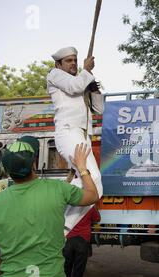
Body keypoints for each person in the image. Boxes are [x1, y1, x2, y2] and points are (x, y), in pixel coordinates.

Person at [0, 137, 99, 277]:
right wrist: (82, 168)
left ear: (6, 170)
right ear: (34, 164)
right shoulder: (58, 189)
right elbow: (92, 196)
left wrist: (10, 272)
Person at [46, 46, 103, 234]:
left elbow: (99, 109)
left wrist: (93, 87)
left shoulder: (81, 80)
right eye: (69, 61)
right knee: (92, 179)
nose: (73, 64)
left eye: (75, 61)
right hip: (69, 132)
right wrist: (86, 71)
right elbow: (73, 87)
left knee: (97, 188)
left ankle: (62, 227)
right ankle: (58, 221)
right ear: (58, 64)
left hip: (82, 135)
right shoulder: (54, 75)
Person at [63, 206, 100, 277]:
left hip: (68, 240)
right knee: (78, 270)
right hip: (82, 241)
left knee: (66, 269)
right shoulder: (90, 207)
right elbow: (97, 219)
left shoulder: (67, 206)